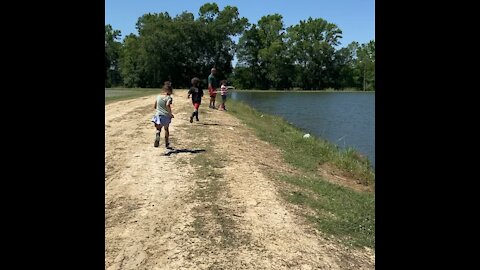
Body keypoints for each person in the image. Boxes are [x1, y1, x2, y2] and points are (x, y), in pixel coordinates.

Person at [151, 82, 174, 150]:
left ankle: (158, 134)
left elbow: (155, 106)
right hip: (165, 116)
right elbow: (167, 105)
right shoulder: (169, 98)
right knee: (166, 129)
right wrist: (170, 114)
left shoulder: (158, 96)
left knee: (158, 128)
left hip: (158, 115)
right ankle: (166, 143)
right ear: (170, 91)